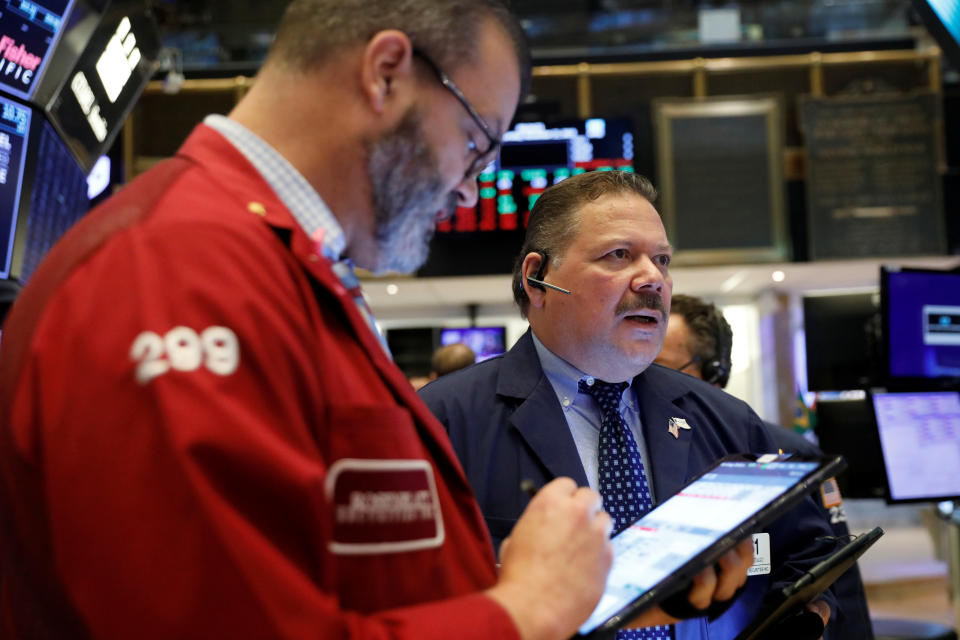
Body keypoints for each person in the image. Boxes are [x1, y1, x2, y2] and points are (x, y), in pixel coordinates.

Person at [0, 2, 752, 638]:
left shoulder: (283, 269)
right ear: (386, 71)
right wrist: (523, 610)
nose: (473, 184)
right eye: (477, 140)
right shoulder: (178, 270)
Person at [420, 170, 842, 640]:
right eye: (619, 255)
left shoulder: (724, 418)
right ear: (538, 279)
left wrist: (800, 622)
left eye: (661, 259)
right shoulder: (440, 424)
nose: (653, 279)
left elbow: (810, 552)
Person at [655, 293, 875, 640]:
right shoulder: (639, 450)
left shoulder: (782, 451)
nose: (649, 381)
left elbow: (834, 574)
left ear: (716, 372)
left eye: (661, 367)